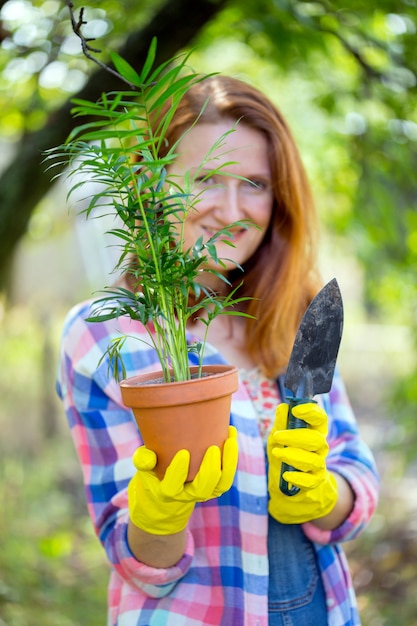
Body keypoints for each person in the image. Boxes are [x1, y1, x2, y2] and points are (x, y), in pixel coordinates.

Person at [57, 74, 379, 626]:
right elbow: (136, 560)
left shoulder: (295, 312)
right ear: (151, 183)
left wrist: (326, 494)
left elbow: (353, 464)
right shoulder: (105, 334)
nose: (232, 211)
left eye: (255, 183)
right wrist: (157, 516)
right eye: (207, 179)